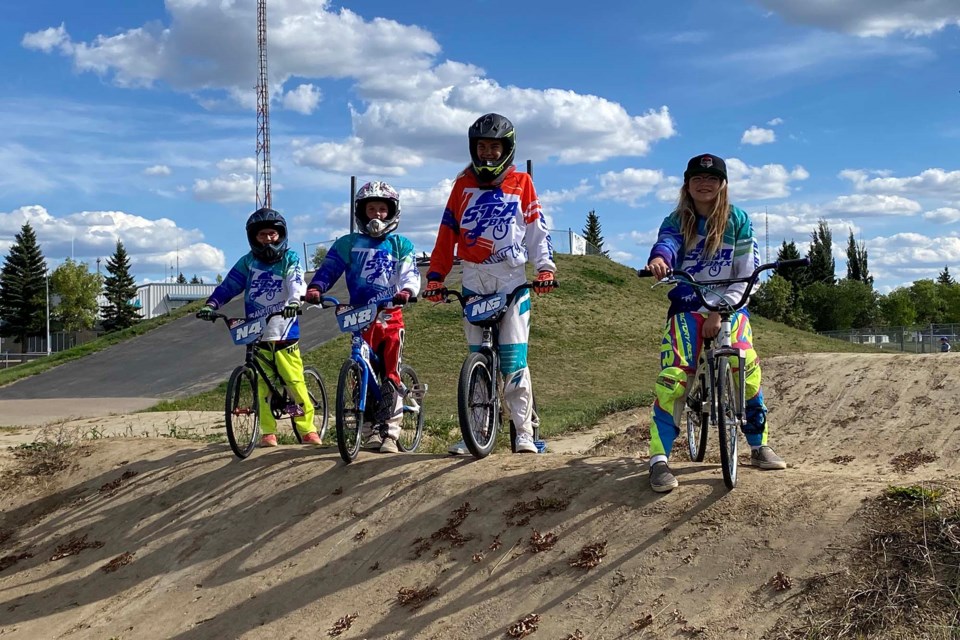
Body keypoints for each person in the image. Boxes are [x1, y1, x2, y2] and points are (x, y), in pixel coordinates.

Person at [644, 153, 786, 493]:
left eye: (711, 179)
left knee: (745, 366)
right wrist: (660, 259)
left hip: (731, 304)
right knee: (674, 378)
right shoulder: (677, 219)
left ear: (723, 184)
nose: (704, 184)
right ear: (687, 185)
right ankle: (658, 460)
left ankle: (758, 444)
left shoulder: (738, 220)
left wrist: (719, 311)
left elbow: (745, 274)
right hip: (687, 304)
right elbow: (667, 243)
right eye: (696, 178)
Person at [422, 113, 557, 455]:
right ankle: (477, 432)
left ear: (507, 149)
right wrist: (435, 277)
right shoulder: (461, 185)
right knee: (476, 355)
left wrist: (545, 269)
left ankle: (524, 431)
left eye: (494, 147)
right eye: (481, 146)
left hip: (510, 279)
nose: (487, 153)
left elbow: (536, 230)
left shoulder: (522, 182)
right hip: (472, 278)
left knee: (513, 358)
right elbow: (446, 233)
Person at [304, 181, 421, 454]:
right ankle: (367, 431)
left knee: (390, 374)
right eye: (371, 209)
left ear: (392, 212)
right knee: (360, 372)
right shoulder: (348, 243)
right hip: (359, 317)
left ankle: (391, 434)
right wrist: (316, 288)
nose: (377, 215)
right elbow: (329, 269)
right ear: (361, 212)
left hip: (390, 317)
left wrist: (407, 291)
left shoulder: (400, 243)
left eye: (382, 209)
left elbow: (409, 272)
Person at [198, 208, 319, 447]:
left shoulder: (290, 258)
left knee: (293, 382)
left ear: (281, 235)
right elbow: (229, 284)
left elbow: (296, 280)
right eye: (262, 235)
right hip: (257, 331)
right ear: (254, 238)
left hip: (284, 331)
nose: (267, 239)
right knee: (262, 385)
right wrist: (211, 305)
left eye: (272, 234)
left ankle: (307, 430)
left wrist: (295, 301)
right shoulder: (248, 262)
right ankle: (267, 432)